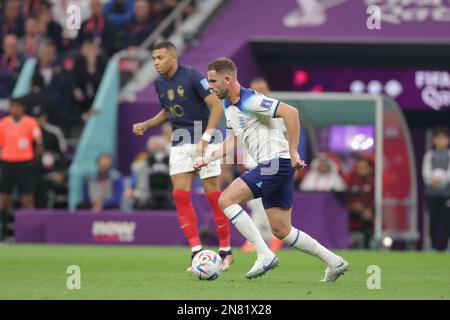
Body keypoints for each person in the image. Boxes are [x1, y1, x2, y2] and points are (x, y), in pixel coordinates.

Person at [194, 57, 348, 281]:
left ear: (227, 79)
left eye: (213, 81)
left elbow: (291, 113)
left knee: (226, 200)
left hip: (275, 162)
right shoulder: (228, 105)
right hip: (275, 166)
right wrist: (209, 157)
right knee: (282, 230)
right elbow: (233, 140)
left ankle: (264, 254)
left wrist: (294, 151)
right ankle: (335, 262)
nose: (210, 86)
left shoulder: (252, 100)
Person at [132, 41, 233, 271]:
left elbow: (217, 106)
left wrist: (206, 138)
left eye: (160, 57)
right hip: (179, 140)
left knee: (212, 195)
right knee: (179, 194)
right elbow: (168, 110)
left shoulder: (192, 76)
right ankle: (196, 253)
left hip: (202, 136)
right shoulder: (159, 84)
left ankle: (226, 250)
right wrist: (147, 124)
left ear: (173, 57)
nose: (156, 62)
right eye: (154, 58)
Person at [240, 77, 285, 253]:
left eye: (262, 89)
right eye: (255, 89)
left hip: (271, 163)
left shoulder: (275, 110)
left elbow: (284, 138)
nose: (259, 92)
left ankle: (275, 238)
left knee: (269, 204)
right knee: (255, 205)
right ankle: (256, 240)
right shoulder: (245, 111)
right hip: (251, 163)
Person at [0, 98, 42, 240]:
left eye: (17, 107)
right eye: (12, 107)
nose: (15, 110)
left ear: (22, 108)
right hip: (7, 163)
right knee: (4, 198)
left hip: (24, 164)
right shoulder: (3, 123)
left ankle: (28, 235)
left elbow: (38, 145)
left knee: (27, 199)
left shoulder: (31, 123)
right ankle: (3, 233)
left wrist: (33, 162)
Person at [422, 127, 450, 251]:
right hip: (432, 193)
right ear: (434, 140)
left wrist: (442, 180)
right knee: (433, 220)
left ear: (448, 140)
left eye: (443, 138)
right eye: (438, 138)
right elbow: (425, 172)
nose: (441, 141)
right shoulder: (429, 155)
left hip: (447, 194)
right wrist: (431, 180)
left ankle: (446, 247)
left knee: (446, 221)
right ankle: (432, 247)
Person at [346, 156, 375, 249]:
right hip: (351, 209)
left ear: (370, 169)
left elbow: (375, 200)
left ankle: (367, 245)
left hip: (368, 209)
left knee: (367, 214)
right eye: (359, 167)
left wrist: (364, 206)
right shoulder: (352, 181)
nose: (361, 170)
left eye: (364, 167)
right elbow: (345, 196)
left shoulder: (374, 181)